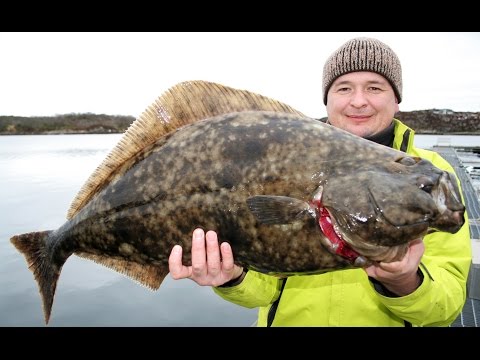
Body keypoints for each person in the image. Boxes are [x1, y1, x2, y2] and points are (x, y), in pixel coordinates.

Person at [168, 37, 472, 326]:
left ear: (397, 100)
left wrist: (404, 282)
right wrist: (233, 277)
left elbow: (446, 308)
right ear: (327, 99)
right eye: (343, 88)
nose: (358, 101)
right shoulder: (283, 157)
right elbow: (265, 293)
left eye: (375, 87)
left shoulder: (433, 175)